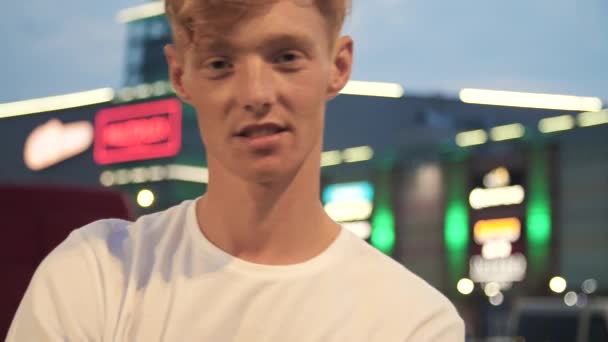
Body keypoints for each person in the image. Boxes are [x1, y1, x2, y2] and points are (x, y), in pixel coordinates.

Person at [7, 0, 464, 340]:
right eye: (221, 63)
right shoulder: (96, 274)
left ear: (338, 65)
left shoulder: (413, 323)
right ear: (181, 75)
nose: (255, 93)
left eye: (285, 57)